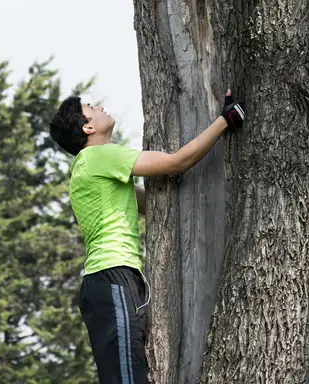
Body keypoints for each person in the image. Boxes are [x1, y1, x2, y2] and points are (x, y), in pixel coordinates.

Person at [48, 90, 245, 383]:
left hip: (111, 282)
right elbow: (177, 161)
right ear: (87, 128)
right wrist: (225, 119)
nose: (100, 107)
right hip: (113, 278)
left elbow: (155, 206)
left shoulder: (91, 168)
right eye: (91, 108)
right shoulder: (99, 156)